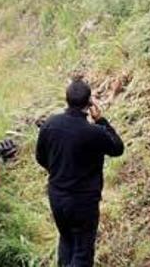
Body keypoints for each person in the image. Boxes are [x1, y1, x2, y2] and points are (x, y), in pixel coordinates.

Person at [36, 80, 125, 267]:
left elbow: (40, 158)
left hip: (57, 196)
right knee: (83, 251)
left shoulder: (50, 124)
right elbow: (117, 148)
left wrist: (58, 171)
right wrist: (101, 120)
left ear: (66, 99)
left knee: (66, 240)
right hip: (83, 201)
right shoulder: (94, 132)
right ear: (89, 102)